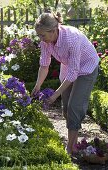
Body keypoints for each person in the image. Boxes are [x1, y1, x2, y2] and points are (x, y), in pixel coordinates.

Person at [31, 12, 99, 155]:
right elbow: (44, 65)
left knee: (74, 106)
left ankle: (70, 148)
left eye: (42, 35)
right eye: (39, 35)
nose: (40, 39)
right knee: (66, 109)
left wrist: (55, 95)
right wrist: (37, 86)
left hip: (87, 67)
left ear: (53, 30)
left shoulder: (72, 38)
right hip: (69, 67)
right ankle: (74, 142)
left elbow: (74, 73)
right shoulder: (45, 42)